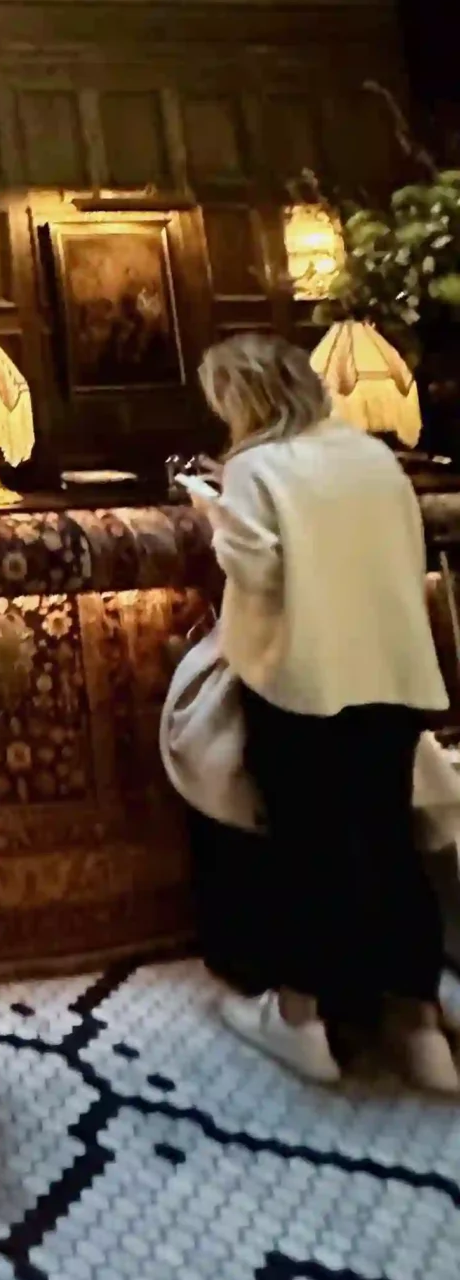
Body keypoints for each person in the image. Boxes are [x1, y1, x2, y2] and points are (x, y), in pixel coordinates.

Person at [190, 333, 457, 1096]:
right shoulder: (374, 458)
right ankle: (421, 1028)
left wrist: (211, 509)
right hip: (396, 674)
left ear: (242, 398)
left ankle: (303, 1022)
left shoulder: (255, 468)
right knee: (390, 840)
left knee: (303, 848)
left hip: (303, 679)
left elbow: (256, 568)